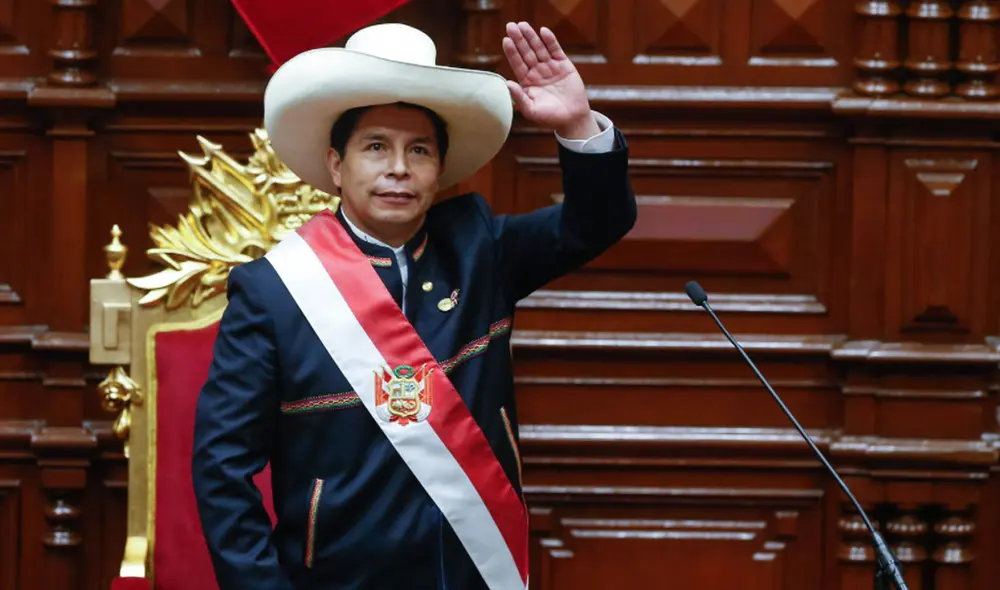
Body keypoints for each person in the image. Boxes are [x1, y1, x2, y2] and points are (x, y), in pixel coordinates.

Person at [191, 20, 636, 590]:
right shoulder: (274, 290)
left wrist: (576, 124)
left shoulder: (480, 248)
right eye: (376, 146)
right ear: (336, 164)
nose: (398, 167)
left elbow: (596, 222)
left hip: (476, 573)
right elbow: (222, 468)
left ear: (439, 170)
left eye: (418, 150)